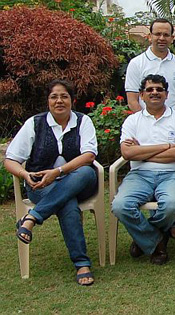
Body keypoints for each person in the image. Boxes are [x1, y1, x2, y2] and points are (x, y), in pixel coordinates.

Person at [7, 80, 98, 286]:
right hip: (41, 186)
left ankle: (32, 218)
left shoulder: (83, 122)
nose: (59, 101)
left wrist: (58, 171)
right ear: (47, 101)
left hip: (80, 181)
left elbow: (89, 155)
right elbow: (10, 159)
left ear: (72, 101)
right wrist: (24, 174)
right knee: (67, 203)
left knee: (84, 171)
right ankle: (82, 264)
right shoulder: (35, 123)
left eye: (64, 96)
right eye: (54, 96)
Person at [111, 74, 175, 265]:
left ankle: (143, 238)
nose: (154, 93)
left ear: (167, 94)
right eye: (149, 90)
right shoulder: (133, 121)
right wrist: (165, 146)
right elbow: (127, 153)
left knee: (171, 205)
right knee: (120, 206)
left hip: (172, 174)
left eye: (159, 89)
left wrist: (142, 151)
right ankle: (156, 241)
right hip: (139, 175)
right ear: (141, 95)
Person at [125, 18, 175, 115]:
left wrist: (173, 121)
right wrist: (148, 121)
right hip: (146, 126)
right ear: (150, 36)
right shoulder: (136, 64)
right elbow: (132, 101)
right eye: (157, 34)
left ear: (172, 38)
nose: (162, 38)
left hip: (173, 126)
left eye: (166, 35)